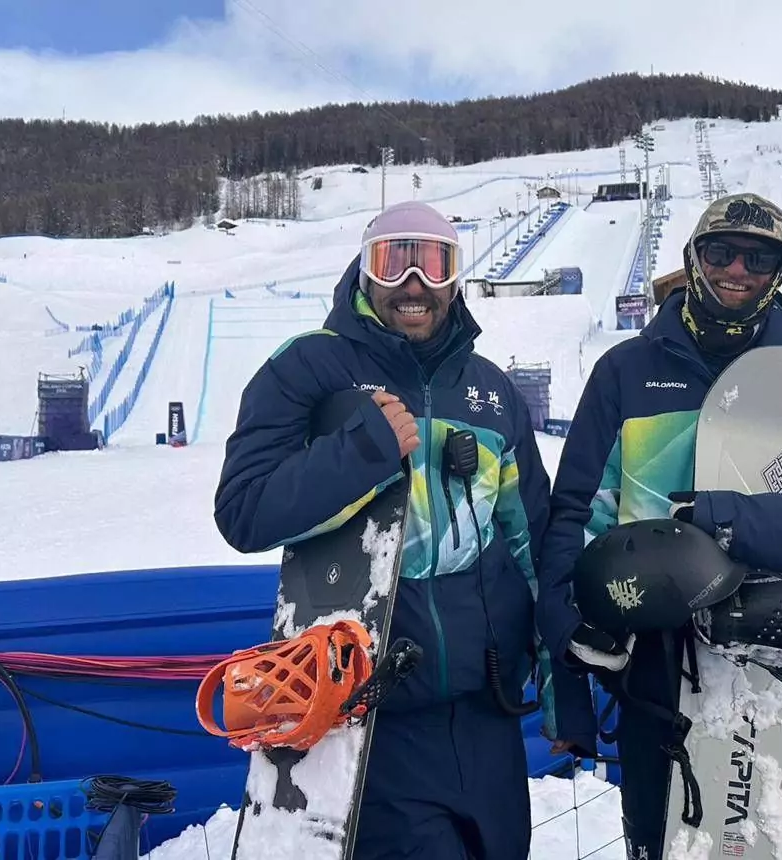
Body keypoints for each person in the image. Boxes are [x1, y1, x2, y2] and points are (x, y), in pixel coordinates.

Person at [213, 200, 597, 860]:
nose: (413, 283)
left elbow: (534, 546)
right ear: (365, 271)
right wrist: (363, 449)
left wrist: (564, 688)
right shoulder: (308, 369)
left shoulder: (490, 391)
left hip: (486, 714)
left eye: (434, 264)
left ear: (455, 278)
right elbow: (245, 510)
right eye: (393, 262)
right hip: (372, 718)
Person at [536, 192, 782, 859]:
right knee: (672, 845)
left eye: (759, 259)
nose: (738, 269)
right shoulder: (625, 373)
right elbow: (572, 521)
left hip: (781, 664)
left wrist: (727, 524)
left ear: (779, 272)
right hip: (654, 669)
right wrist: (570, 661)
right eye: (722, 252)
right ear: (693, 258)